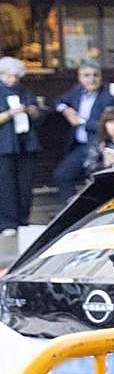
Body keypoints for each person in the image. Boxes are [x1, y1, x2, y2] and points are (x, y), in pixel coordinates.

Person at [52, 60, 114, 204]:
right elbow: (58, 100)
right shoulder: (77, 91)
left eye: (96, 75)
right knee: (62, 175)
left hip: (98, 146)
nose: (92, 79)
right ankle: (72, 208)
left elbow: (107, 125)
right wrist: (66, 110)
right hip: (79, 146)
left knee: (98, 180)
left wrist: (81, 121)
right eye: (87, 75)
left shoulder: (108, 97)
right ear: (80, 78)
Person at [0, 56, 43, 238]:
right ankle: (8, 222)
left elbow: (39, 117)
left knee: (25, 185)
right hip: (5, 145)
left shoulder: (26, 92)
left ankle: (23, 220)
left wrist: (34, 112)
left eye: (16, 76)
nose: (13, 79)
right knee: (6, 185)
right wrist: (9, 114)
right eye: (8, 76)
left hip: (26, 144)